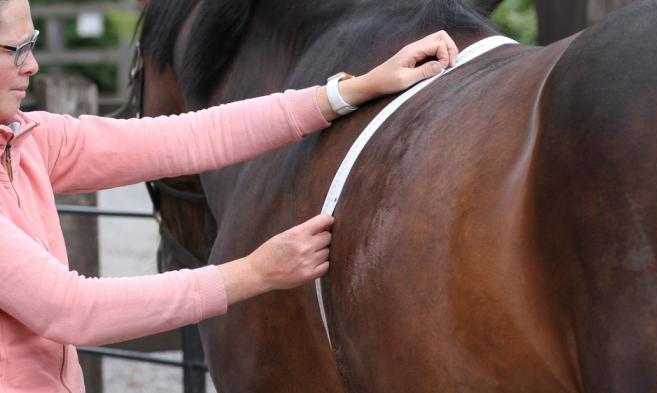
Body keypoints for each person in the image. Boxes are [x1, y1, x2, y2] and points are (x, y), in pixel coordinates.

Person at [0, 0, 458, 391]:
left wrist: (350, 90)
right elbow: (73, 310)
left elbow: (189, 136)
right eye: (16, 50)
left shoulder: (28, 139)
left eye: (33, 43)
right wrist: (255, 272)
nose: (32, 64)